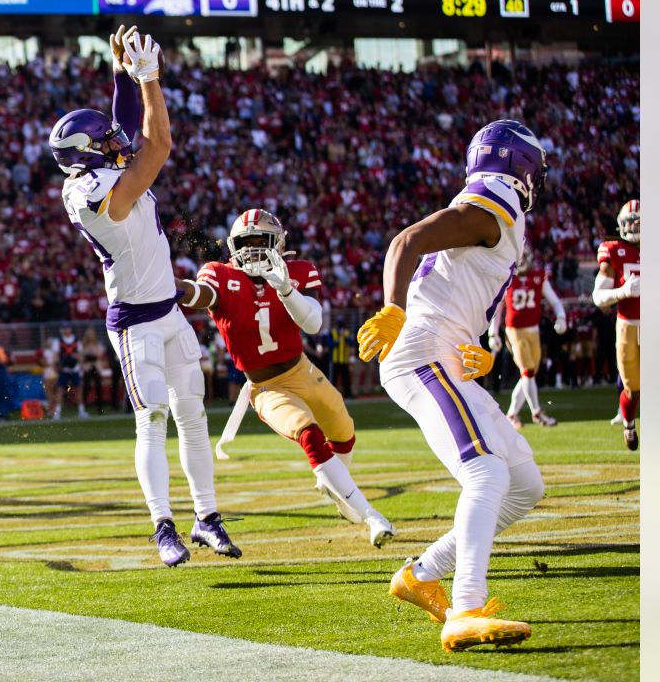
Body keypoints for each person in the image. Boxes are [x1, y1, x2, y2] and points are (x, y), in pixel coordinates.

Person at [356, 120, 548, 651]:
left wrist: (479, 346)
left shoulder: (491, 205)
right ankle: (464, 607)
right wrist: (394, 309)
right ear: (522, 167)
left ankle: (421, 574)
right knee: (485, 473)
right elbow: (407, 241)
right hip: (420, 350)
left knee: (525, 485)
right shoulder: (497, 200)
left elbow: (463, 283)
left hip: (445, 351)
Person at [50, 25, 237, 567]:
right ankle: (163, 527)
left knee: (193, 416)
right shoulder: (91, 194)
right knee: (151, 416)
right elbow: (158, 145)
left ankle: (208, 518)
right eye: (105, 142)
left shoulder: (96, 167)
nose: (116, 142)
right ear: (84, 158)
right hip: (134, 322)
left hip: (170, 312)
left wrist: (121, 75)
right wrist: (150, 80)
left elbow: (129, 127)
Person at [179, 209, 395, 547]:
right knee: (309, 434)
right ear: (233, 247)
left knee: (344, 431)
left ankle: (338, 490)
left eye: (260, 242)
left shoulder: (297, 272)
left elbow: (314, 324)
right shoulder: (221, 275)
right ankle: (370, 515)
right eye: (245, 244)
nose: (252, 251)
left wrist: (285, 290)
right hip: (265, 386)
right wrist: (173, 288)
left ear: (277, 244)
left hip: (303, 370)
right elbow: (200, 295)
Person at [487, 245, 568, 428]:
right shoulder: (507, 278)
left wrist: (561, 316)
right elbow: (498, 308)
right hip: (514, 329)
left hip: (534, 329)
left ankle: (512, 414)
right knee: (527, 371)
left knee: (528, 375)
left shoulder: (538, 276)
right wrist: (493, 332)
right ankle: (537, 412)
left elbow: (554, 300)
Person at [592, 199, 640, 450]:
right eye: (629, 223)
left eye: (638, 223)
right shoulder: (613, 251)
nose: (632, 228)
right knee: (632, 389)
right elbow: (598, 297)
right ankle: (629, 423)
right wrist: (623, 291)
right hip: (628, 326)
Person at [51, 325, 89, 419]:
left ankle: (81, 411)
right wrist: (57, 365)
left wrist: (79, 361)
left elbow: (81, 354)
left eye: (67, 328)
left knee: (78, 390)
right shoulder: (58, 341)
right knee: (60, 390)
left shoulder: (76, 341)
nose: (66, 330)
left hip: (75, 368)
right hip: (64, 369)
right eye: (64, 328)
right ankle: (57, 412)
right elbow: (55, 355)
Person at [328, 317, 355, 399]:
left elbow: (351, 343)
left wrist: (345, 337)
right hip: (335, 360)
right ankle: (332, 395)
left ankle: (348, 394)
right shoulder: (332, 332)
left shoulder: (347, 332)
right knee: (334, 379)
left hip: (344, 359)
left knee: (346, 379)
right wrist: (337, 341)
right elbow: (330, 345)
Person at [81, 327, 105, 415]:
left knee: (98, 387)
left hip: (95, 368)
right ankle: (83, 406)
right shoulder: (83, 345)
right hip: (87, 368)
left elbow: (98, 355)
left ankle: (99, 408)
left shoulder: (97, 345)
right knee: (86, 387)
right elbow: (82, 357)